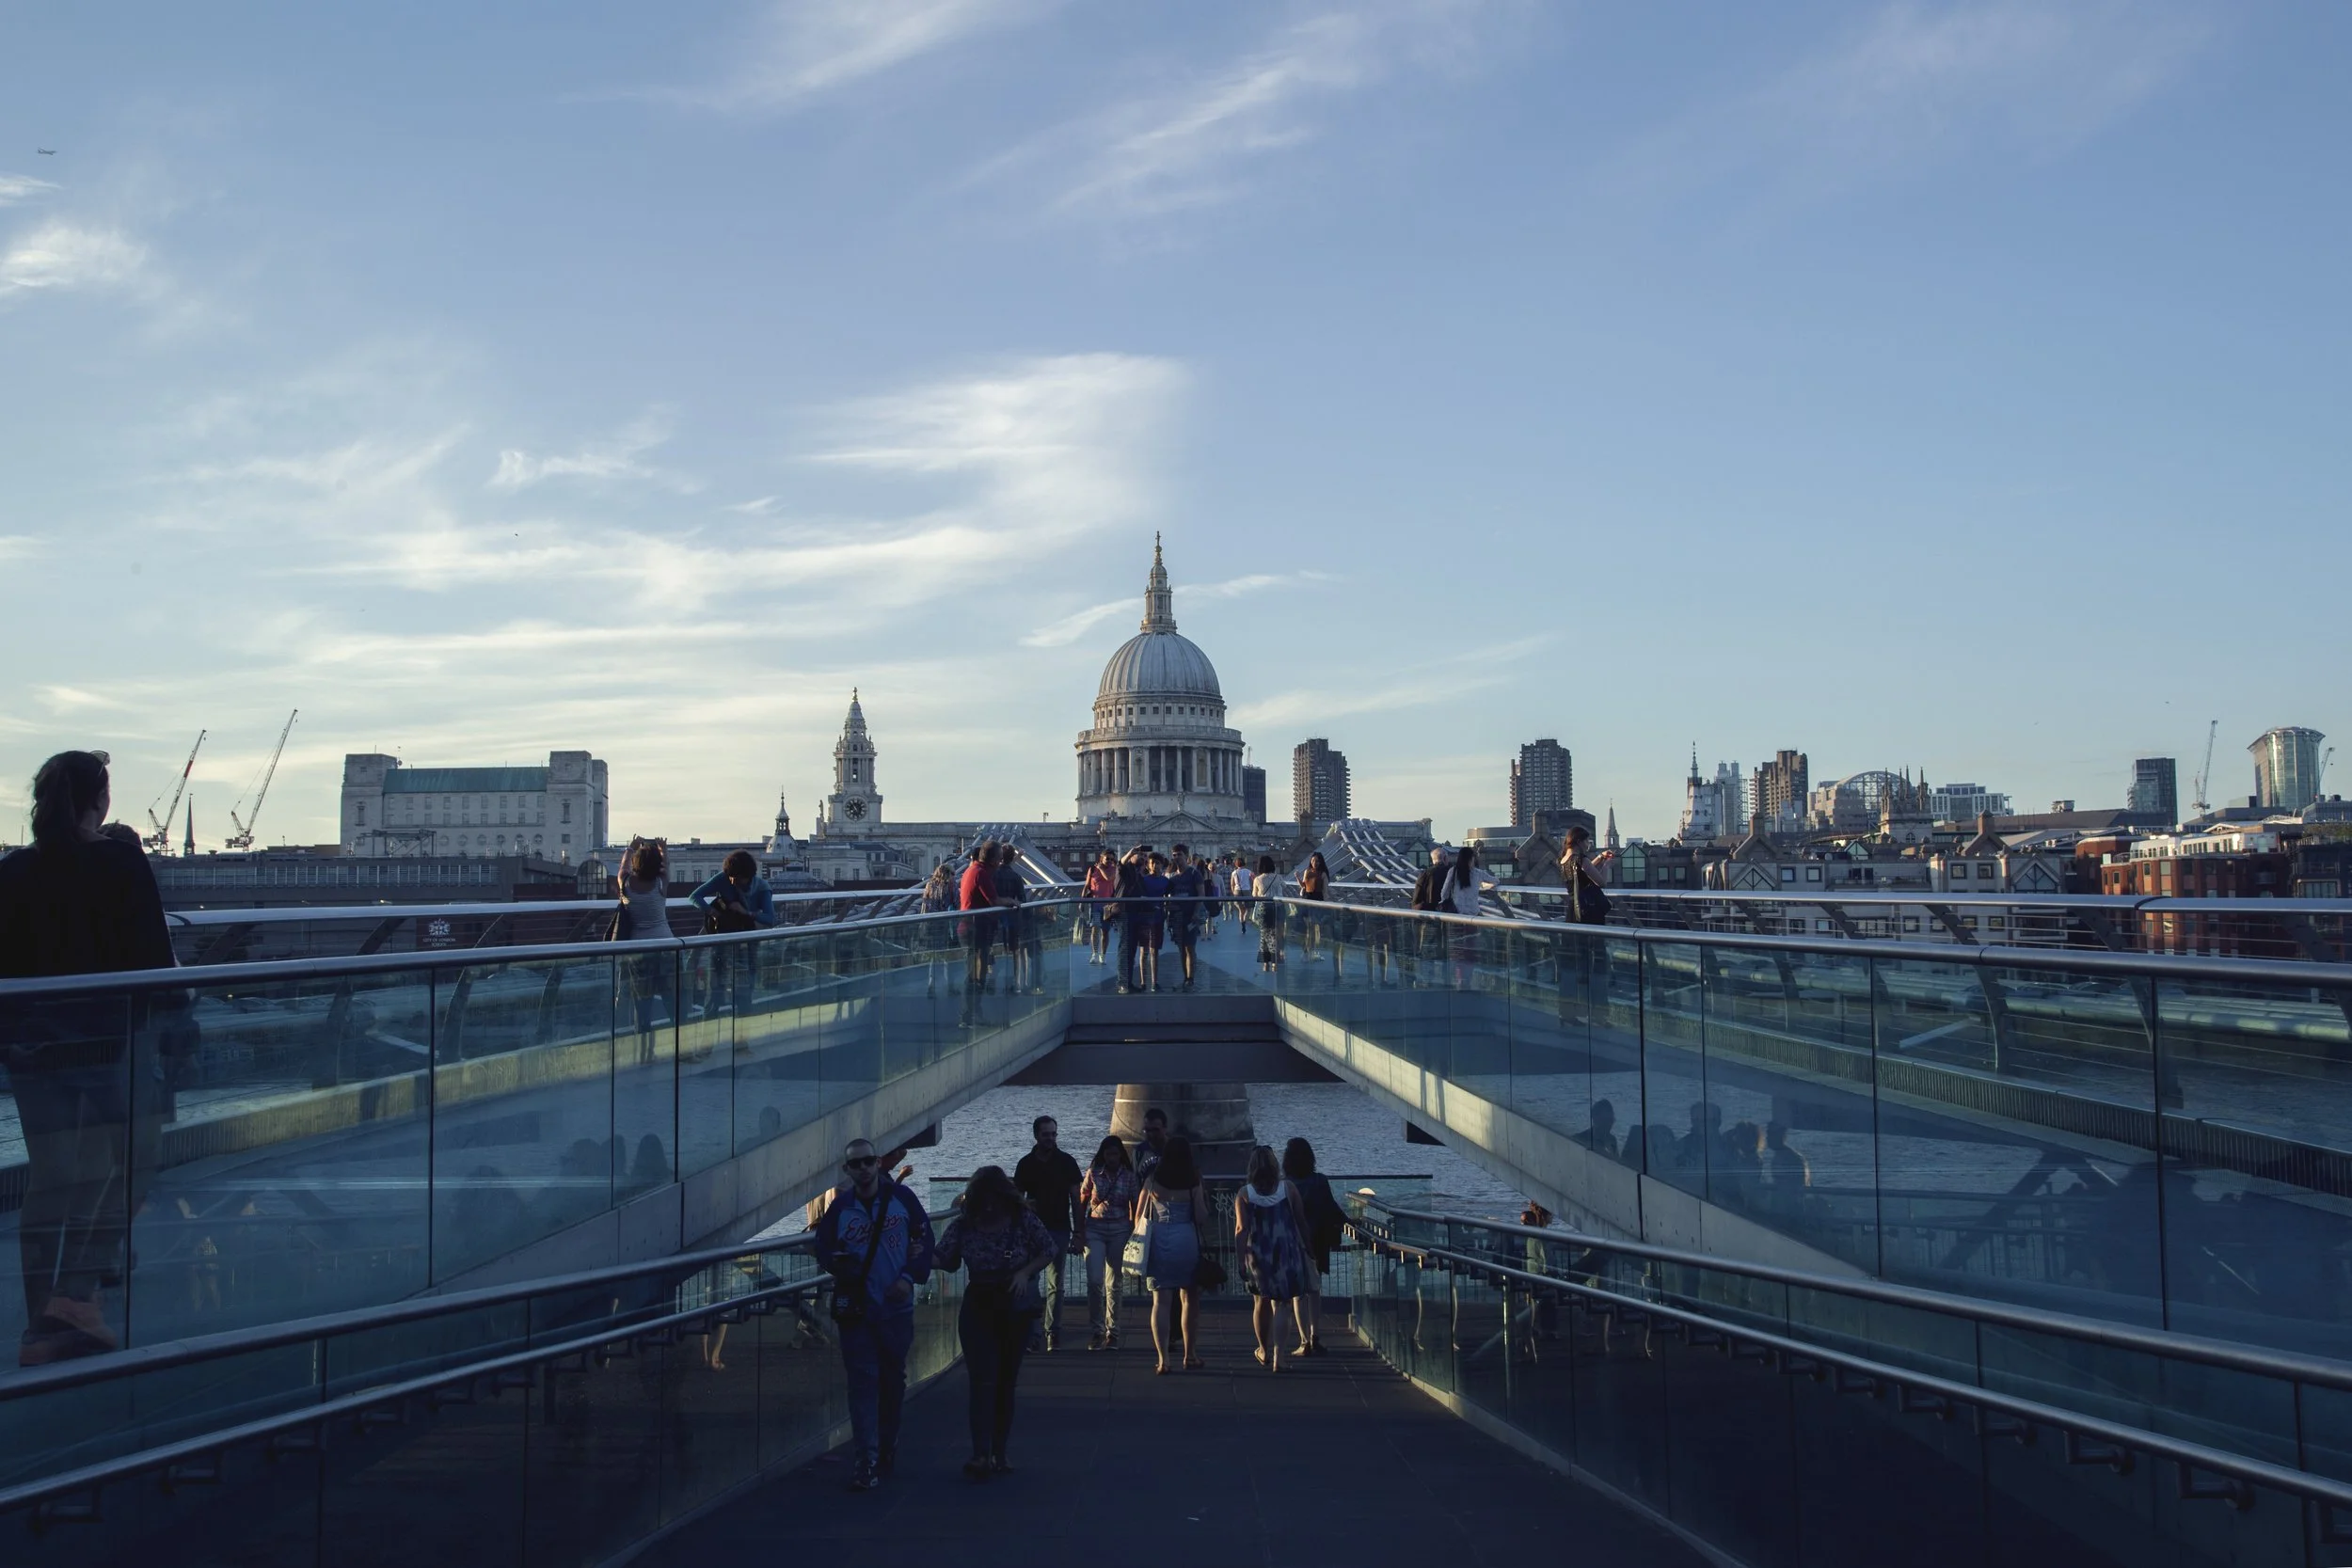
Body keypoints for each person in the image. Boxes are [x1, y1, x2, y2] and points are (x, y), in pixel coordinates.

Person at [0, 751, 175, 1367]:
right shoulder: (120, 860)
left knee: (50, 1180)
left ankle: (39, 1326)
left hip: (33, 1047)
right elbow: (154, 957)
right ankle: (74, 1296)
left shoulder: (14, 870)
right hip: (109, 1040)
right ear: (97, 801)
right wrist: (176, 1023)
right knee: (135, 1163)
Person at [811, 1138, 936, 1491]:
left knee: (893, 1381)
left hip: (896, 1308)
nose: (864, 1168)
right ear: (847, 1169)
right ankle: (866, 1459)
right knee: (862, 1382)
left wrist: (909, 1277)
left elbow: (925, 1240)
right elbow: (823, 1247)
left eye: (869, 1161)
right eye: (857, 1164)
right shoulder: (841, 1207)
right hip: (858, 1310)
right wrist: (838, 1264)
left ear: (879, 1163)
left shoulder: (903, 1200)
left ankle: (886, 1444)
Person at [933, 1165, 1056, 1480]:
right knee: (981, 1382)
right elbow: (946, 1260)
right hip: (979, 1301)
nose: (989, 1207)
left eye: (994, 1200)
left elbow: (1049, 1249)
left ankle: (999, 1452)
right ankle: (980, 1453)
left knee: (1005, 1382)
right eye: (983, 1200)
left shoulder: (1021, 1218)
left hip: (1013, 1302)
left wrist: (1024, 1272)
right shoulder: (964, 1225)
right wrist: (917, 1254)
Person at [1232, 1145, 1311, 1371]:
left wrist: (1240, 1260)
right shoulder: (1288, 1188)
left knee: (1260, 1301)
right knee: (1282, 1304)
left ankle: (1262, 1349)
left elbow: (1241, 1229)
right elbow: (1300, 1220)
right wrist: (1308, 1247)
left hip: (1257, 1252)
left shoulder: (1245, 1194)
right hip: (1286, 1250)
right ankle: (1280, 1357)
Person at [1134, 1134, 1206, 1373]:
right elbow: (1201, 1216)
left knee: (1160, 1301)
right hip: (1186, 1239)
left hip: (1160, 1239)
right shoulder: (1193, 1181)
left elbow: (1139, 1216)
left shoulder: (1153, 1180)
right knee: (1189, 1299)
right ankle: (1190, 1354)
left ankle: (1163, 1360)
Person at [1012, 1115, 1083, 1352]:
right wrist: (1022, 1214)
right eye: (1046, 1134)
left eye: (1053, 1134)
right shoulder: (1025, 1164)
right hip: (1032, 1231)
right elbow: (1016, 1199)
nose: (1051, 1138)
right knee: (1031, 1282)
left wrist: (1078, 1232)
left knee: (1056, 1284)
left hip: (1060, 1228)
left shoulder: (1067, 1162)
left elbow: (1076, 1198)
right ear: (1036, 1136)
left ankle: (1053, 1332)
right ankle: (1033, 1334)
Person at [1281, 1137, 1345, 1356]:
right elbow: (1331, 1208)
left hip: (1293, 1241)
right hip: (1317, 1239)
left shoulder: (1285, 1185)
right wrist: (1349, 1222)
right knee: (1315, 1288)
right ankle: (1315, 1335)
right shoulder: (1320, 1181)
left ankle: (1303, 1341)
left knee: (1298, 1292)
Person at [612, 836, 672, 1063]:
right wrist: (662, 849)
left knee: (642, 1005)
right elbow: (667, 865)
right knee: (672, 1000)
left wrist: (631, 847)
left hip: (638, 952)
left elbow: (622, 868)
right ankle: (683, 1048)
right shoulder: (660, 883)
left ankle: (645, 1054)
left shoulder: (626, 885)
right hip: (667, 947)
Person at [1078, 1134, 1138, 1350]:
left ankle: (1113, 1332)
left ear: (1120, 1155)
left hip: (1120, 1229)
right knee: (1094, 1281)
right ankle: (1097, 1330)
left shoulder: (1129, 1177)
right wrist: (1079, 1230)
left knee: (1114, 1283)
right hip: (1094, 1228)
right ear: (1103, 1155)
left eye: (1115, 1154)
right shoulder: (1093, 1174)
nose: (1112, 1158)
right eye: (1108, 1154)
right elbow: (1082, 1200)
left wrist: (1133, 1230)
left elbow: (1134, 1203)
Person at [957, 840, 998, 1026]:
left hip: (969, 926)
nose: (999, 863)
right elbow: (994, 900)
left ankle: (974, 1014)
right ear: (992, 859)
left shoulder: (970, 871)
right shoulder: (981, 873)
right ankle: (968, 1016)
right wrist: (1012, 902)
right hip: (975, 928)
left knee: (976, 972)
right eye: (998, 859)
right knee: (975, 973)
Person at [689, 848, 774, 932]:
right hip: (722, 930)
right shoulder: (723, 878)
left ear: (748, 876)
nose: (733, 882)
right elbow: (695, 896)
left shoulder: (762, 887)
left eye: (737, 879)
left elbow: (770, 919)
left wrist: (746, 912)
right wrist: (714, 913)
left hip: (749, 932)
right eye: (730, 878)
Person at [1165, 844, 1205, 990]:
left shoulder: (1195, 874)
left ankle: (1191, 977)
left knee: (1190, 948)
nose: (1176, 857)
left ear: (1186, 856)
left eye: (1179, 854)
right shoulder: (1172, 877)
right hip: (1177, 916)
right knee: (1181, 949)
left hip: (1190, 916)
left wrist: (1196, 913)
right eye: (1174, 855)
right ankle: (1185, 977)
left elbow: (1201, 894)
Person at [1560, 825, 1613, 927]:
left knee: (1577, 941)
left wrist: (1600, 857)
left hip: (1573, 910)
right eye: (1587, 841)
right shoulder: (1581, 859)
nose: (1588, 845)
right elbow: (1602, 883)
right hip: (1589, 910)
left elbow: (1582, 873)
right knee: (1593, 941)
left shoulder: (1563, 860)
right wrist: (1606, 865)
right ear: (1579, 842)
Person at [1135, 851, 1169, 992]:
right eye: (1152, 863)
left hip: (1158, 919)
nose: (1155, 865)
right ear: (1148, 866)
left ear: (1162, 865)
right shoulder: (1143, 880)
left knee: (1154, 951)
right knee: (1144, 951)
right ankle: (1143, 982)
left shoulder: (1166, 882)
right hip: (1144, 918)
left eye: (1158, 863)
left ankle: (1154, 982)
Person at [920, 862, 956, 996]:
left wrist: (922, 925)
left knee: (933, 957)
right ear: (948, 874)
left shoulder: (929, 884)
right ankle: (950, 986)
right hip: (945, 925)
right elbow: (956, 903)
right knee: (948, 957)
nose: (954, 876)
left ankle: (931, 986)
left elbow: (925, 906)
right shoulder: (950, 886)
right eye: (953, 874)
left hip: (930, 925)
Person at [1083, 848, 1119, 966]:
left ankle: (1103, 954)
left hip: (1108, 906)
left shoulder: (1114, 870)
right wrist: (1081, 901)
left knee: (1105, 931)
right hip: (1095, 904)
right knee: (1095, 929)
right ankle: (1094, 953)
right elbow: (1087, 885)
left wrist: (1101, 868)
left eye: (1111, 859)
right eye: (1107, 858)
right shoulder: (1092, 869)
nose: (1109, 861)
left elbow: (1108, 878)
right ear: (1101, 858)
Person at [1250, 854, 1285, 972]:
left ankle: (1266, 964)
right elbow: (1284, 887)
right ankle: (1276, 961)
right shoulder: (1278, 877)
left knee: (1265, 936)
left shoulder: (1257, 879)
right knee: (1277, 934)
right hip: (1278, 907)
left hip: (1264, 908)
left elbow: (1254, 896)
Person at [1132, 1105, 1169, 1184]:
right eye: (1147, 1130)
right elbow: (1134, 1181)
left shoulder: (1176, 1149)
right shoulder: (1138, 1151)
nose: (1151, 1134)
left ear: (1165, 1128)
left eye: (1155, 1130)